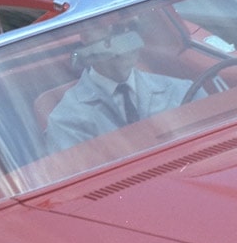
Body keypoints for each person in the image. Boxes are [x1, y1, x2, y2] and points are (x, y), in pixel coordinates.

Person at [44, 17, 192, 151]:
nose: (122, 41)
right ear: (85, 36)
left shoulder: (183, 91)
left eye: (131, 28)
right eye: (108, 29)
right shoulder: (66, 121)